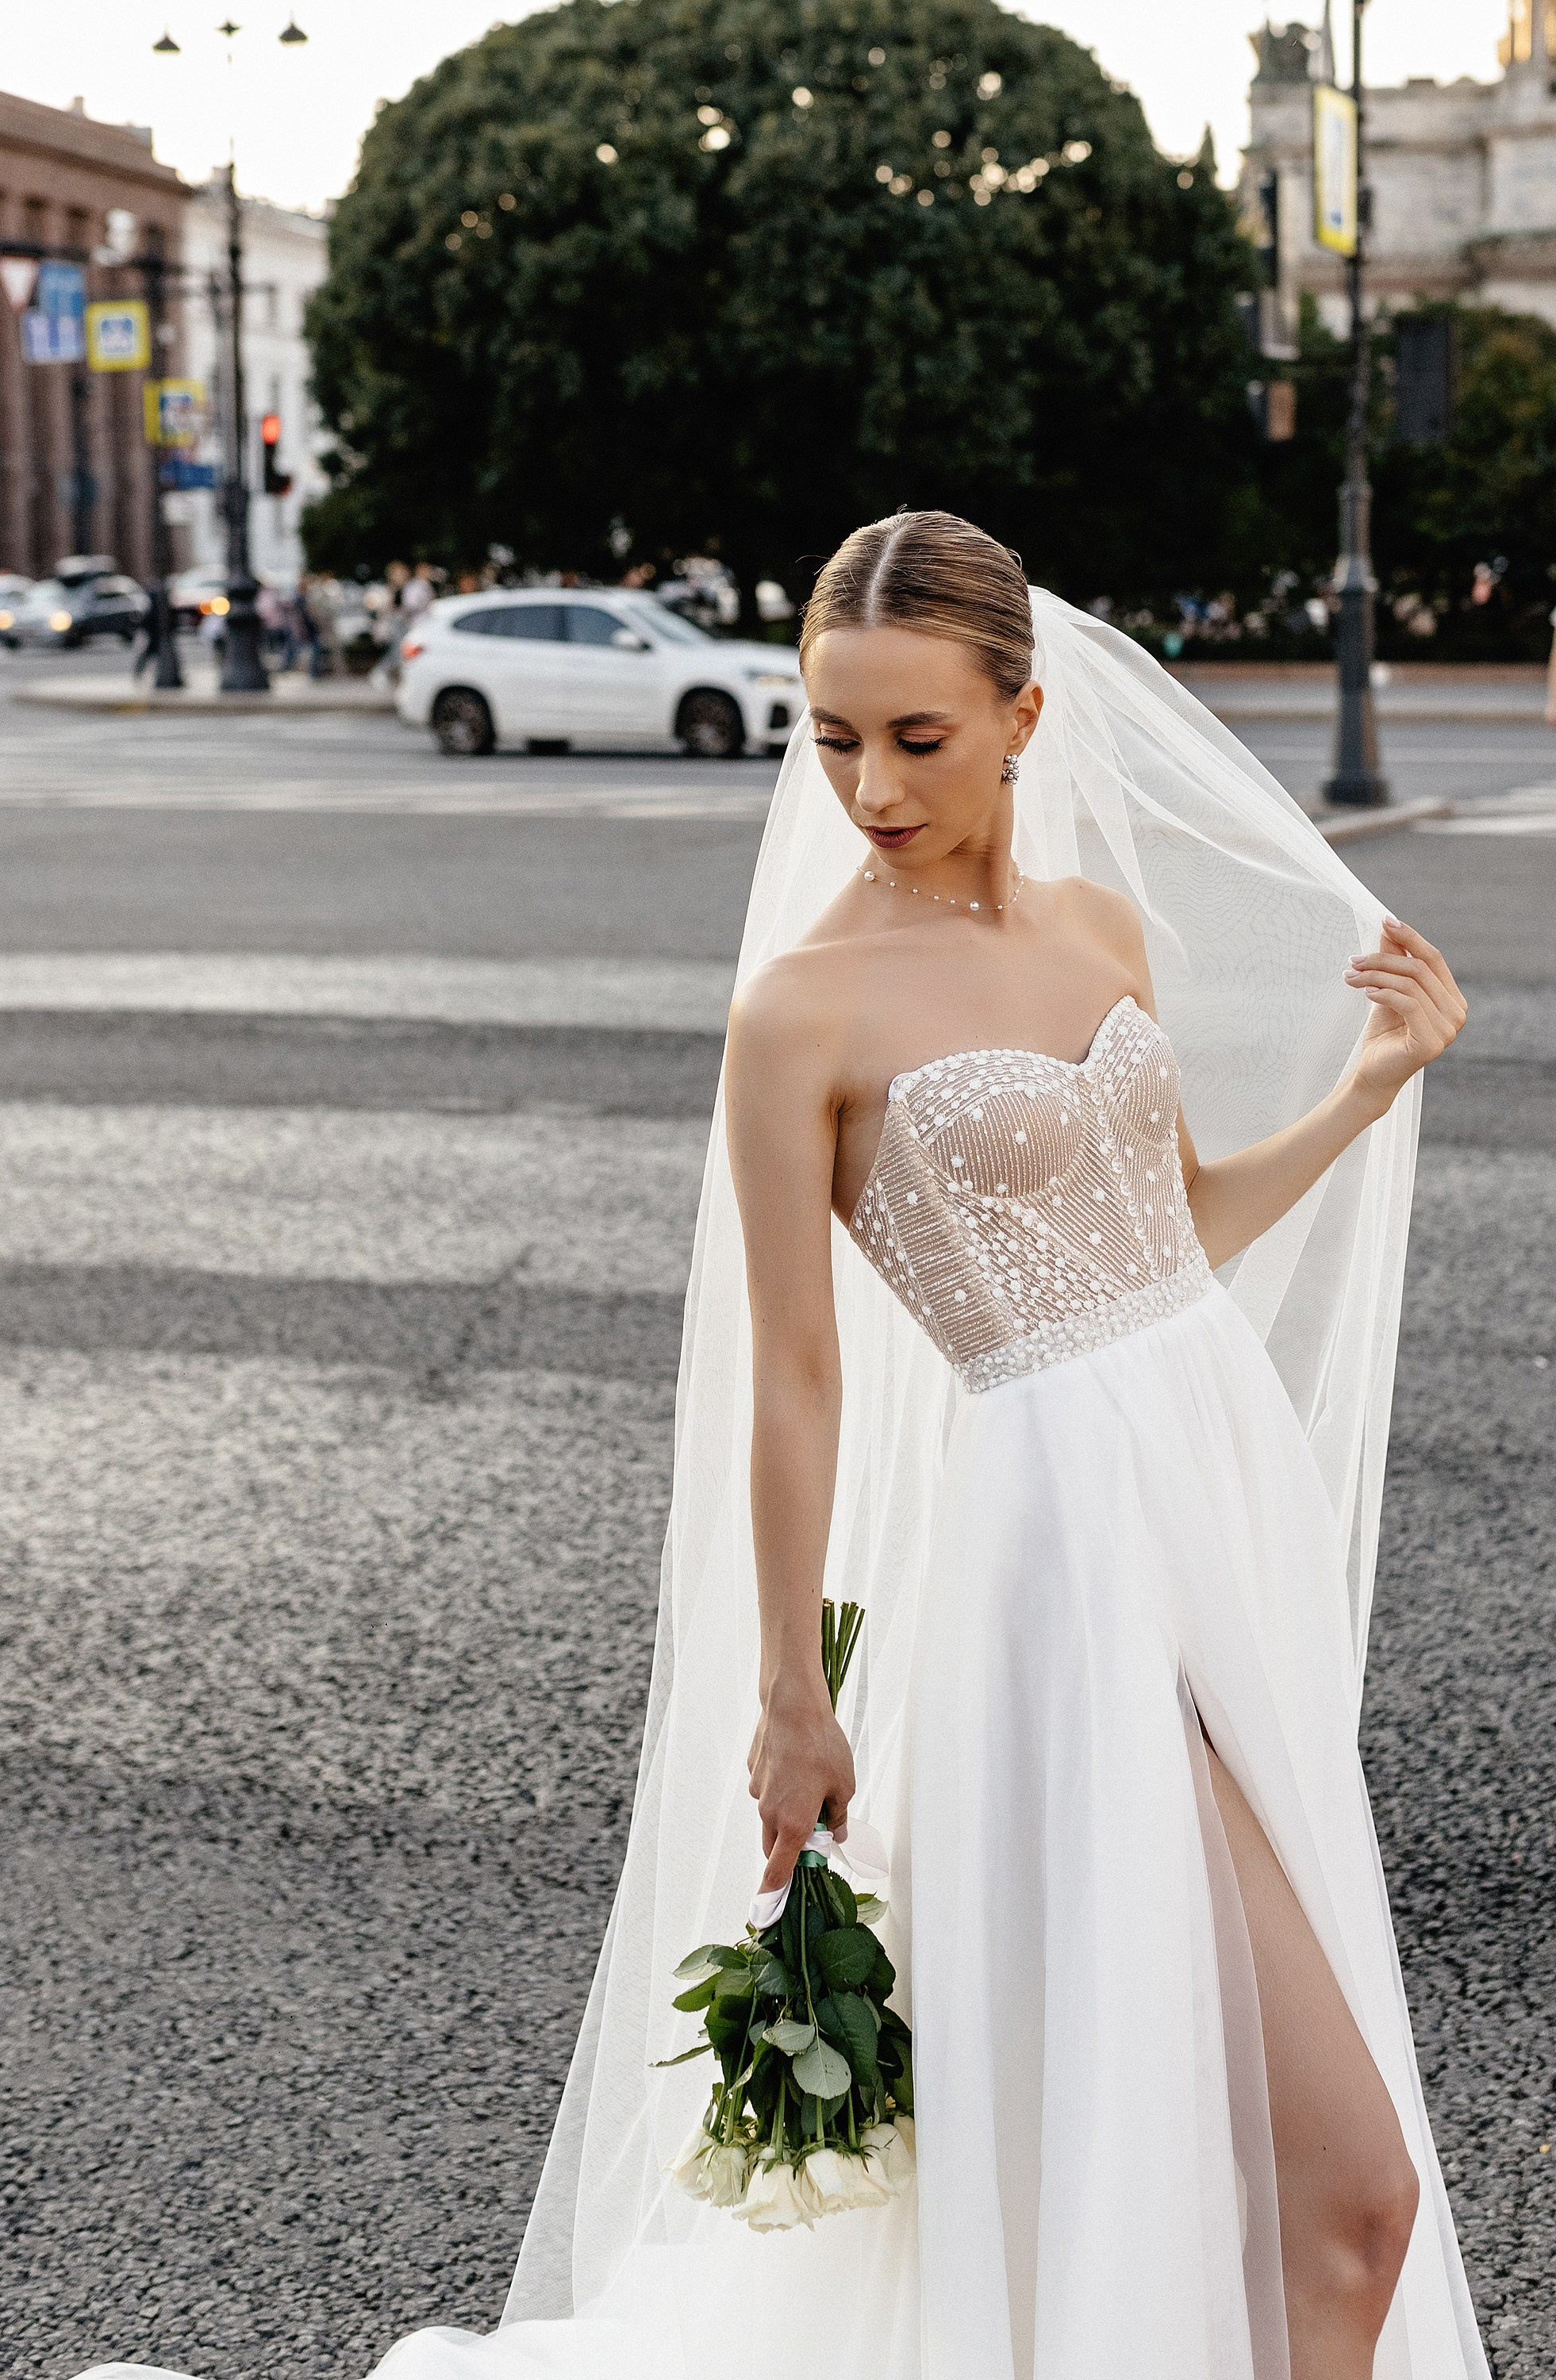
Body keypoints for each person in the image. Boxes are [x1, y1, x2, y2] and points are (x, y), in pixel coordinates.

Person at [76, 514, 1489, 2380]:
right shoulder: (799, 1012)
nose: (868, 784)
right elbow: (794, 1374)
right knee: (1339, 2189)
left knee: (1255, 2176)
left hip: (1208, 1500)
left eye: (915, 736)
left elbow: (1176, 1234)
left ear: (1020, 716)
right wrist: (788, 1693)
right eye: (830, 737)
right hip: (1056, 1556)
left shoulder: (1096, 927)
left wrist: (1362, 1091)